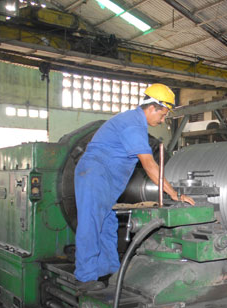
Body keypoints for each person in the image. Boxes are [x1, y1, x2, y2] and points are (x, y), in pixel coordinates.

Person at [74, 83, 194, 284]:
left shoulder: (135, 123)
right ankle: (85, 278)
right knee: (91, 224)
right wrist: (174, 194)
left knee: (107, 224)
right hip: (94, 175)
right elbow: (149, 165)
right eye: (163, 114)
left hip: (106, 179)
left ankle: (109, 271)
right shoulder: (132, 125)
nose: (163, 119)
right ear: (152, 107)